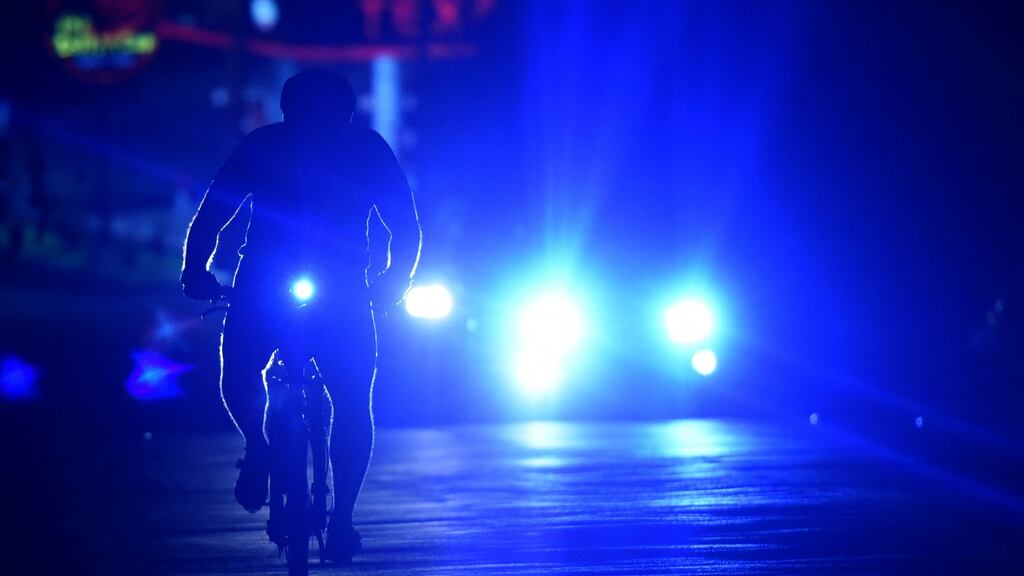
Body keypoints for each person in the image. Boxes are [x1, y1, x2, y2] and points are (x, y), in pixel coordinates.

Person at [180, 69, 421, 562]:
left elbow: (405, 225)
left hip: (325, 290)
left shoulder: (352, 149)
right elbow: (212, 213)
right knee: (334, 397)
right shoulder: (285, 147)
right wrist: (194, 266)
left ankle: (343, 517)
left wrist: (396, 279)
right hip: (290, 285)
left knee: (346, 399)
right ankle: (260, 449)